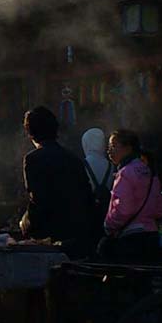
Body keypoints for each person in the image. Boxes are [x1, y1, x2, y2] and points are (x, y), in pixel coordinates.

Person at [19, 107, 95, 260]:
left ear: (30, 132)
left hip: (50, 235)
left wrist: (26, 224)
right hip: (77, 231)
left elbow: (38, 200)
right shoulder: (73, 158)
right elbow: (86, 195)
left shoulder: (33, 159)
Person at [98, 130, 162, 264]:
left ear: (128, 148)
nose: (109, 150)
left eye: (113, 146)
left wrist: (108, 224)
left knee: (128, 282)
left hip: (131, 239)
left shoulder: (125, 173)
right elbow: (158, 208)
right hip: (151, 235)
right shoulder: (149, 171)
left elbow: (123, 210)